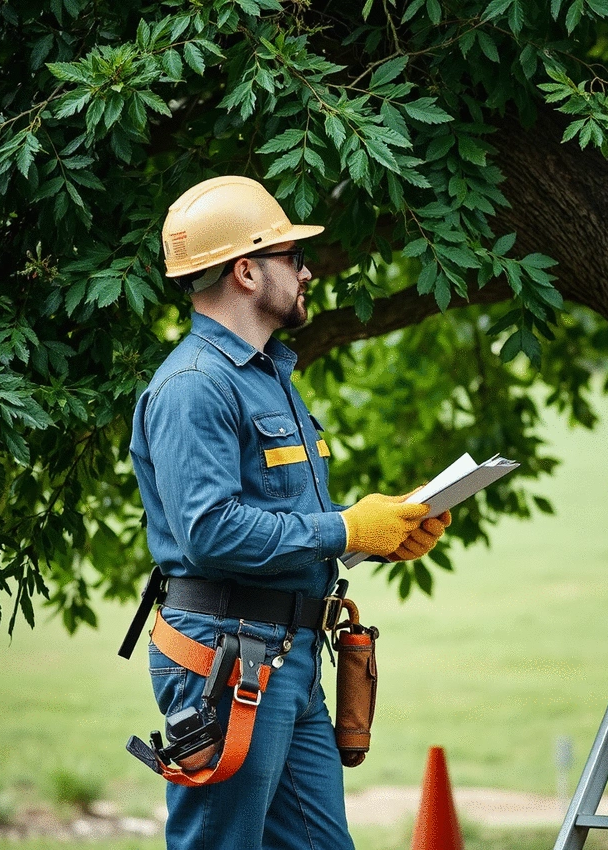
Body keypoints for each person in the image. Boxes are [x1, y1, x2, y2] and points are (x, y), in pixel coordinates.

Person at [128, 175, 451, 850]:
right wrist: (345, 527)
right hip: (228, 655)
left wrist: (379, 531)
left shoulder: (266, 375)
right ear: (245, 271)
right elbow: (213, 532)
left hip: (288, 655)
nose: (307, 272)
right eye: (290, 257)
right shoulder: (195, 387)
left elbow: (278, 519)